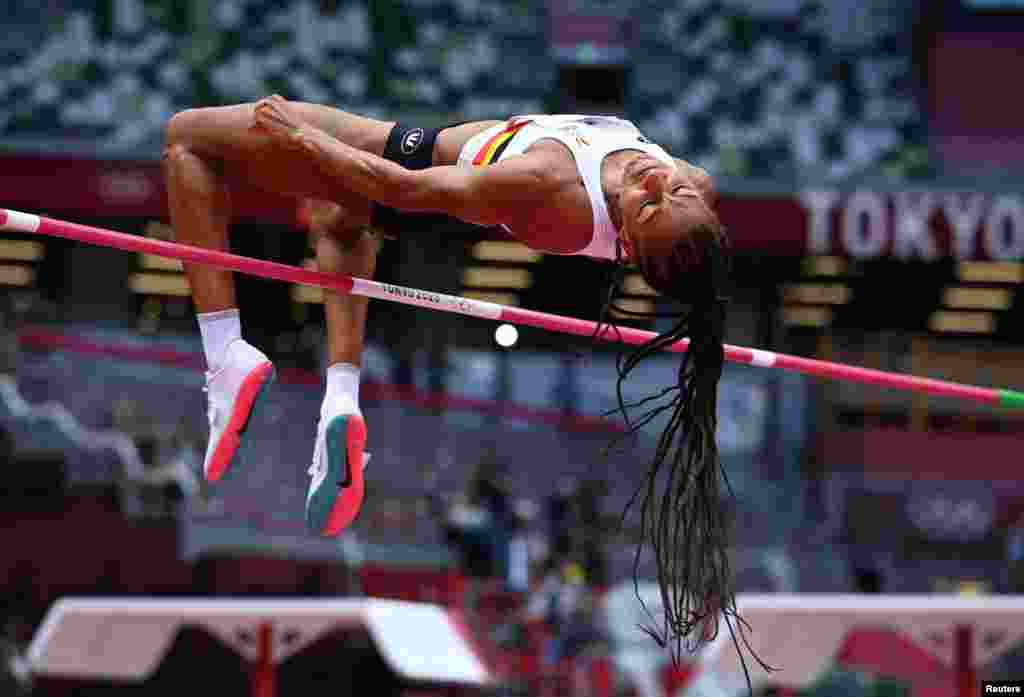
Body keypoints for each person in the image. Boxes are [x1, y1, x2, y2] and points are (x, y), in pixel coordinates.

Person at [162, 94, 732, 655]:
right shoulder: (691, 190)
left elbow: (401, 190)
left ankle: (225, 353)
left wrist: (300, 134)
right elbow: (689, 230)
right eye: (673, 189)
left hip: (408, 168)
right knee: (338, 223)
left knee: (188, 140)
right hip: (437, 174)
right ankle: (340, 395)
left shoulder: (555, 192)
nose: (657, 180)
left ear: (626, 245)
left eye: (649, 202)